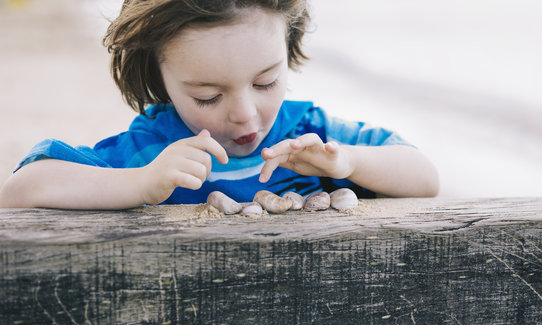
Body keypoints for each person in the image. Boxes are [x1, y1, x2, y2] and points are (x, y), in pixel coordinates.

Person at [0, 0, 439, 210]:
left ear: (289, 49)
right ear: (160, 81)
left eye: (266, 81)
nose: (246, 114)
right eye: (208, 96)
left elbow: (425, 178)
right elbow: (20, 191)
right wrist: (141, 183)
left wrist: (348, 161)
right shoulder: (154, 153)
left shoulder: (312, 137)